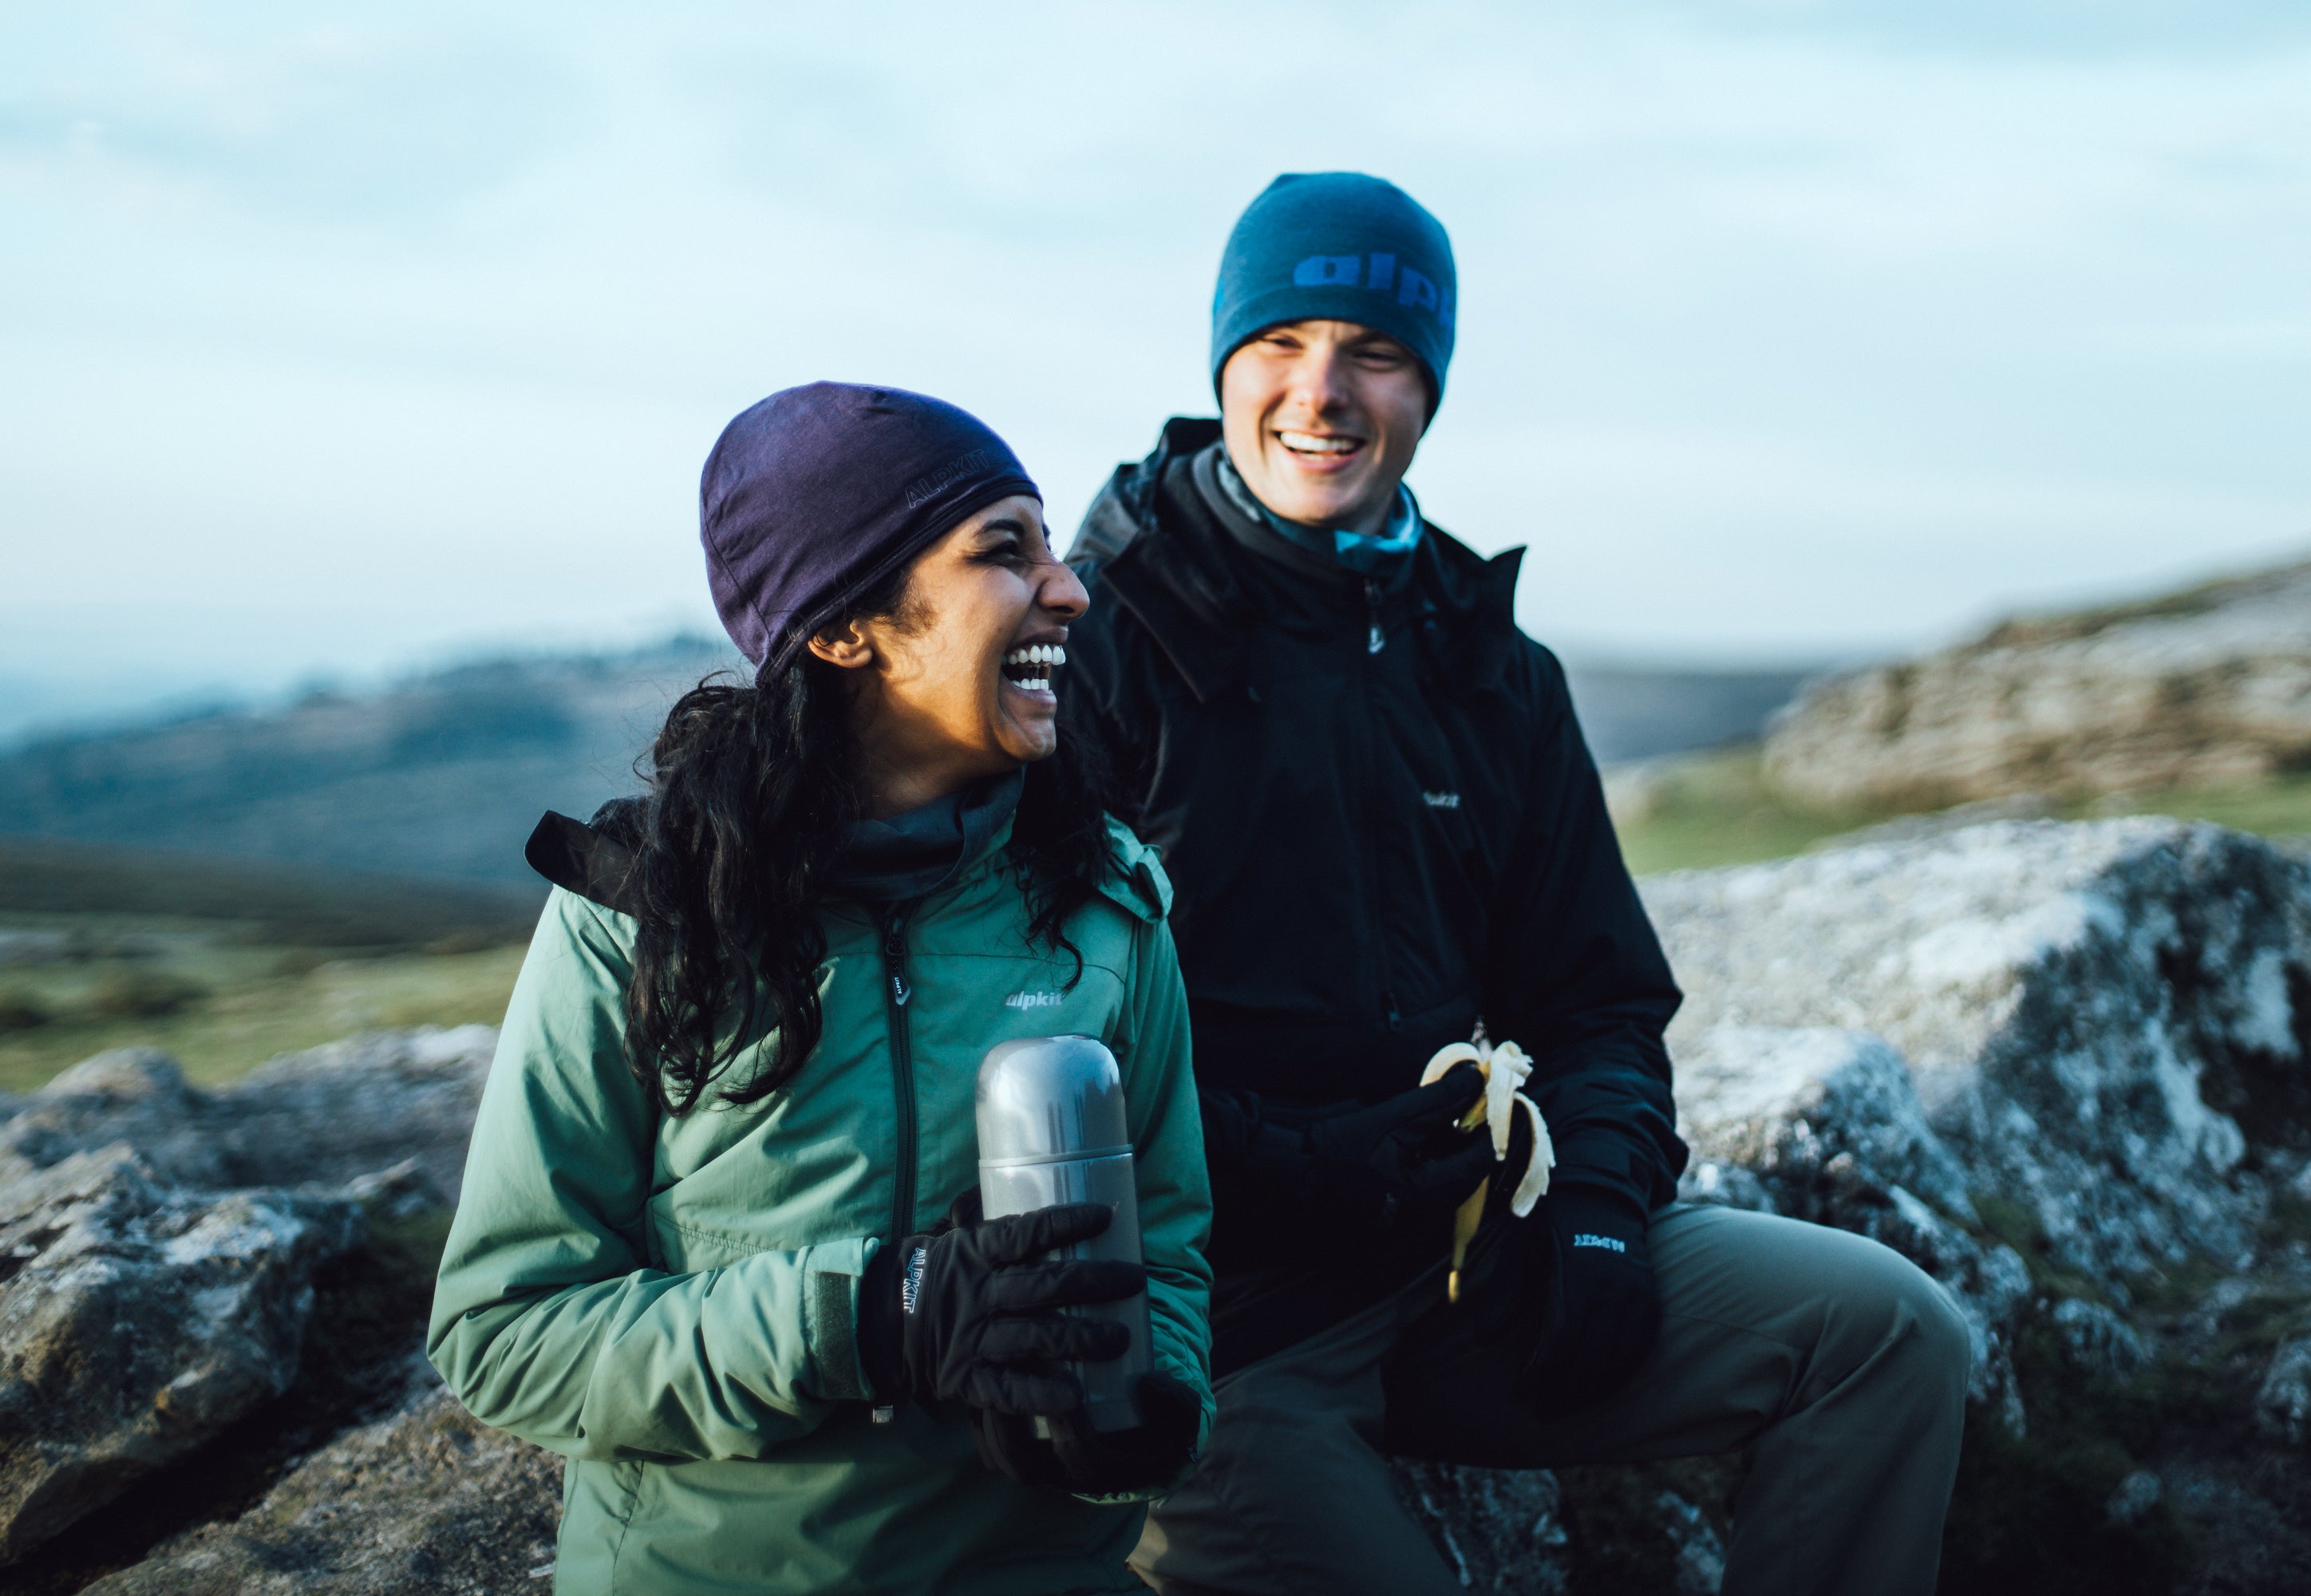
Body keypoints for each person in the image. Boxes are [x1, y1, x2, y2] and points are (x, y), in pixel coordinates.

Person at [1060, 173, 1974, 1596]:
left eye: (1374, 352)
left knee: (1889, 1335)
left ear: (1429, 385)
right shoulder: (1101, 649)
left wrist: (1602, 1204)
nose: (1324, 393)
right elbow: (1032, 1052)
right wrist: (1301, 1168)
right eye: (1281, 345)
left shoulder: (1484, 661)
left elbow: (1596, 989)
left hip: (1466, 1270)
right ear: (1224, 366)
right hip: (1220, 1328)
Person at [429, 383, 1214, 1595]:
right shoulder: (639, 912)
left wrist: (1148, 1419)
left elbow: (1166, 1263)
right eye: (1005, 550)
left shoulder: (1107, 898)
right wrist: (867, 1320)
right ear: (846, 627)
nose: (1068, 586)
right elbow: (503, 1336)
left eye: (1052, 546)